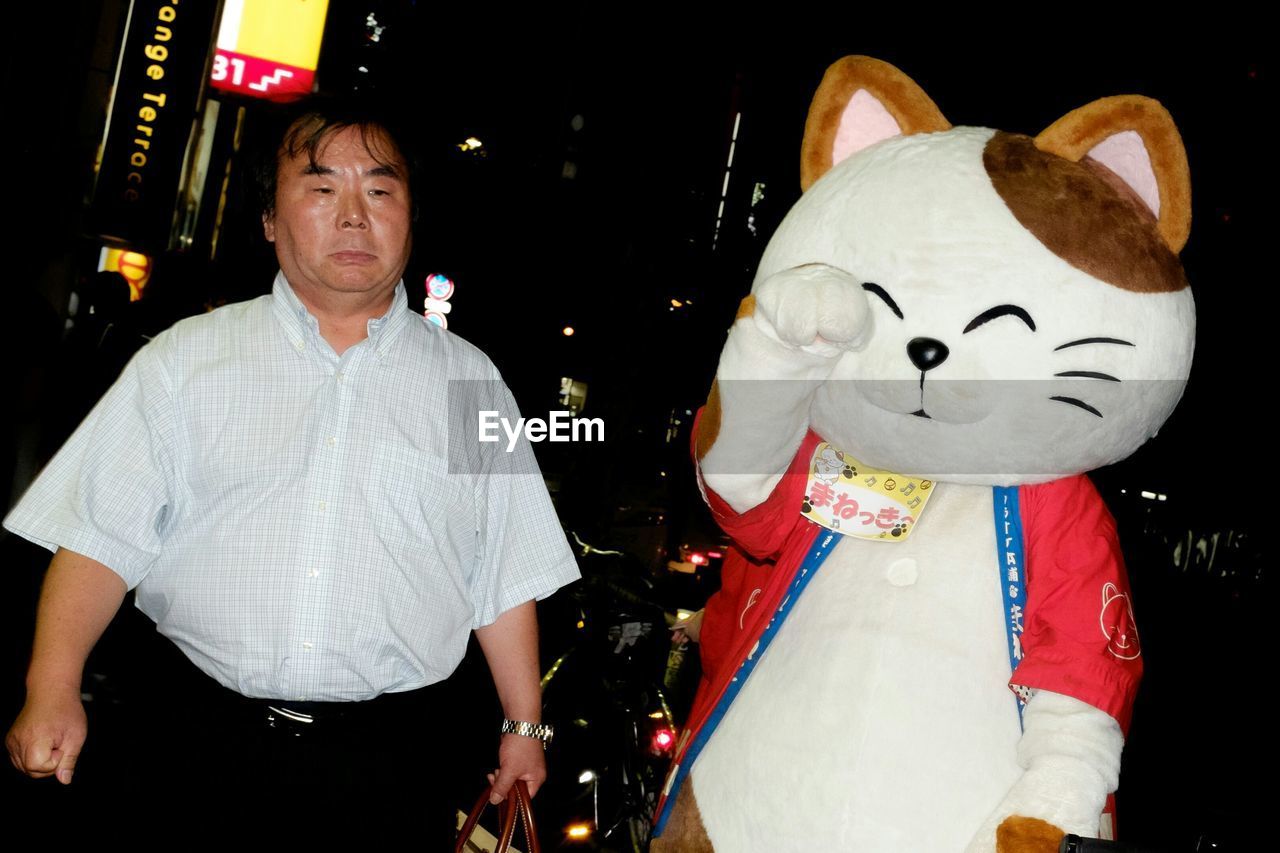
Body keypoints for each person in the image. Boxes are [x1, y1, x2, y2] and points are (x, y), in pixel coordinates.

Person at [3, 98, 579, 841]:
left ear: (409, 215)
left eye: (379, 189)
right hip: (193, 742)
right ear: (270, 219)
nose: (353, 216)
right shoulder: (185, 361)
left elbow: (501, 570)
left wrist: (523, 725)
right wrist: (50, 687)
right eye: (319, 187)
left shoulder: (469, 381)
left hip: (390, 762)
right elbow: (98, 538)